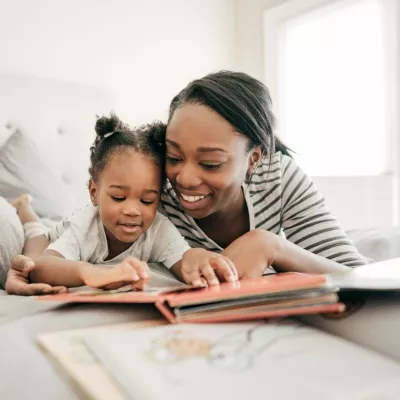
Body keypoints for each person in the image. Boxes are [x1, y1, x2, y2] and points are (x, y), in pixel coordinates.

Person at [5, 70, 365, 295]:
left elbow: (360, 277)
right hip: (61, 229)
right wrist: (32, 263)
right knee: (39, 229)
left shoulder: (280, 177)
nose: (184, 179)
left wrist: (271, 246)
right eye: (174, 157)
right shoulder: (149, 190)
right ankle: (26, 210)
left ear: (254, 158)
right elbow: (83, 245)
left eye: (210, 162)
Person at [5, 114, 238, 295]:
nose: (132, 210)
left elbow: (183, 258)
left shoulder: (159, 228)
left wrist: (201, 259)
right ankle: (25, 208)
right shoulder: (84, 226)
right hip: (52, 235)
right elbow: (43, 266)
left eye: (147, 200)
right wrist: (90, 273)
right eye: (118, 197)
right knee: (33, 248)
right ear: (94, 192)